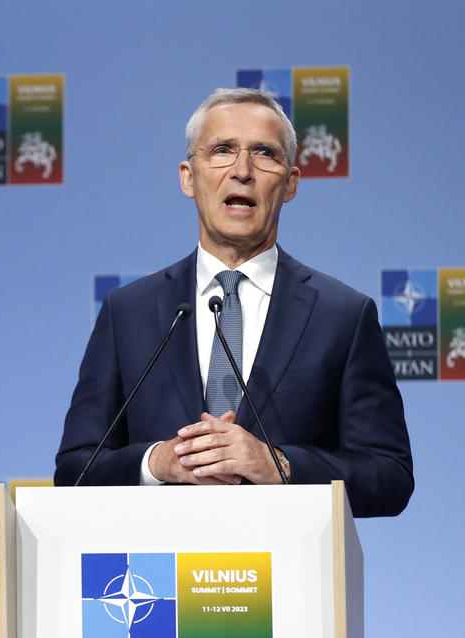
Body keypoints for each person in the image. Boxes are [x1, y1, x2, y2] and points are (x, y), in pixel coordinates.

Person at [54, 88, 413, 517]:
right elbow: (74, 471)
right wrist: (159, 463)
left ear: (291, 183)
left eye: (264, 153)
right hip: (158, 575)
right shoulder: (127, 312)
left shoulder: (343, 315)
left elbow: (389, 477)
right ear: (189, 177)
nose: (242, 171)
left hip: (287, 576)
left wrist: (275, 464)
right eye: (222, 150)